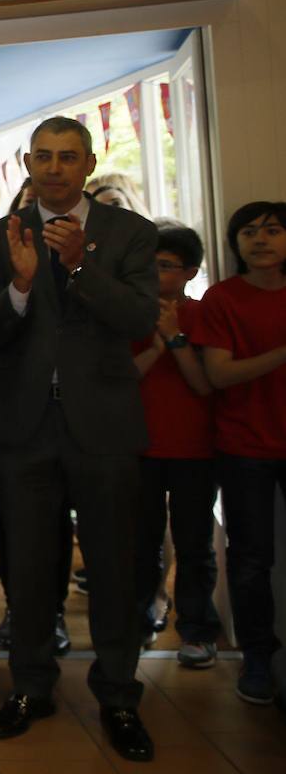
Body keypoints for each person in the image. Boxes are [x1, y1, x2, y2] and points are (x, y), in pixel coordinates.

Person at [0, 117, 158, 762]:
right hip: (23, 429)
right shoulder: (2, 236)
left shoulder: (128, 233)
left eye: (67, 157)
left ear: (90, 161)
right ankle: (30, 686)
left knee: (112, 565)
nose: (53, 168)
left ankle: (119, 695)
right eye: (43, 157)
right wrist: (20, 286)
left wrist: (78, 265)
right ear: (26, 161)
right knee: (25, 568)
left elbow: (139, 318)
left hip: (102, 426)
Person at [194, 201, 286, 705]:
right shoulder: (222, 298)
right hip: (245, 445)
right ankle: (257, 658)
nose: (260, 239)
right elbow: (220, 374)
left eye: (272, 230)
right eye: (248, 232)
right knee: (250, 560)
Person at [131, 222, 219, 665]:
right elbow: (123, 381)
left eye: (166, 266)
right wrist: (158, 345)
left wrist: (177, 340)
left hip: (196, 449)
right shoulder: (130, 315)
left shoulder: (204, 315)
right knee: (143, 540)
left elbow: (205, 385)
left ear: (190, 272)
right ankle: (146, 612)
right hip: (141, 447)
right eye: (150, 264)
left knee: (194, 543)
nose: (155, 273)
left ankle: (198, 628)